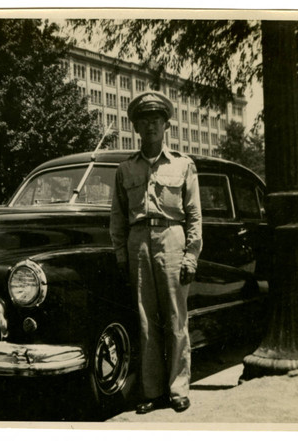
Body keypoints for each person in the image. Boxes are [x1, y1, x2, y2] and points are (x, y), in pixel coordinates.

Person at [110, 91, 202, 414]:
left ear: (166, 125)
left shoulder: (183, 165)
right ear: (135, 127)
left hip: (172, 239)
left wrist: (191, 255)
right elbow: (118, 219)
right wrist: (122, 255)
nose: (150, 126)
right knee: (146, 319)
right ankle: (152, 390)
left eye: (156, 120)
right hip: (139, 243)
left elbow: (194, 215)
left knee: (176, 317)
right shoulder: (125, 170)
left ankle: (178, 389)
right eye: (144, 121)